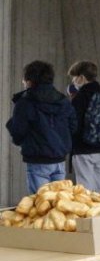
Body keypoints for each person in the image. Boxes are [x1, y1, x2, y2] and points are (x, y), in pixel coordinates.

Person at [7, 61, 77, 194]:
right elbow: (73, 127)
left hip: (38, 160)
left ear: (29, 81)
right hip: (59, 159)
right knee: (59, 203)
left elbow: (18, 132)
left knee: (41, 205)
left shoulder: (25, 103)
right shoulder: (63, 101)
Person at [66, 61, 100, 192]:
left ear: (81, 77)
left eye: (74, 77)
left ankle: (90, 213)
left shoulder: (79, 98)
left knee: (85, 188)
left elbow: (74, 124)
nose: (73, 81)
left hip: (82, 148)